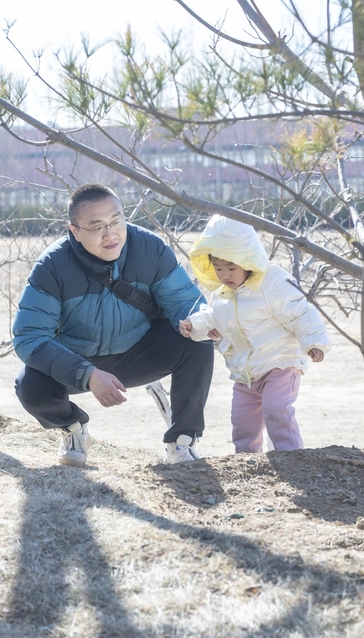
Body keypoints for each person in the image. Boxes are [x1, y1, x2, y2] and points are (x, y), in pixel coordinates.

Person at [13, 183, 214, 466]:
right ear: (74, 231)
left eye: (117, 221)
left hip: (138, 352)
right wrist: (87, 374)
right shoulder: (52, 266)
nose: (111, 234)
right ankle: (72, 427)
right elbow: (29, 337)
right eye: (97, 227)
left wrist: (199, 322)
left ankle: (182, 443)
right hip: (76, 360)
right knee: (29, 385)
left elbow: (183, 301)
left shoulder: (150, 249)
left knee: (198, 341)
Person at [179, 215, 331, 453]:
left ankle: (292, 458)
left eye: (231, 268)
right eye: (218, 269)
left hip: (279, 363)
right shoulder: (223, 293)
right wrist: (194, 325)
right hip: (245, 373)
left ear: (247, 261)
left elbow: (301, 312)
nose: (225, 275)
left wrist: (314, 342)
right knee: (242, 421)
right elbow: (214, 316)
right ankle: (247, 461)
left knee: (277, 410)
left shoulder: (273, 283)